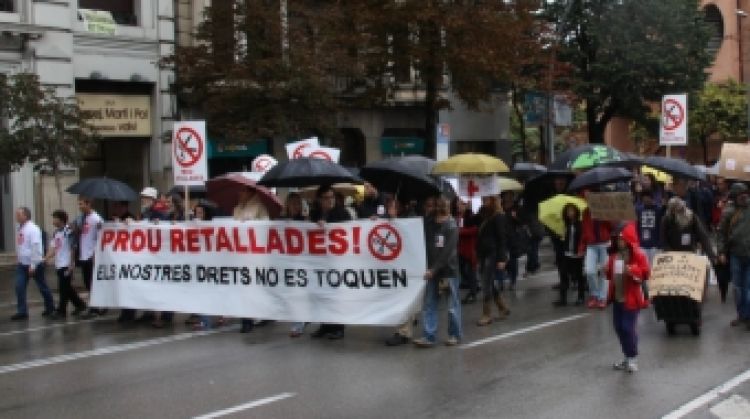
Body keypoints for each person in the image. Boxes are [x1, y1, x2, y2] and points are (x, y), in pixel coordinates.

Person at [413, 197, 462, 347]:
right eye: (437, 216)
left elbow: (447, 253)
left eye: (441, 216)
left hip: (448, 271)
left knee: (452, 305)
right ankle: (429, 336)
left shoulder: (452, 227)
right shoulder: (430, 223)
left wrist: (433, 270)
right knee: (429, 303)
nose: (438, 220)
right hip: (432, 271)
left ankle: (454, 334)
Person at [385, 196, 433, 346]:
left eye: (395, 204)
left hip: (408, 265)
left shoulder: (411, 218)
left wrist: (396, 221)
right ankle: (407, 323)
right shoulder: (393, 217)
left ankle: (403, 332)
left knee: (404, 296)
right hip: (396, 265)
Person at [310, 184, 353, 340]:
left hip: (337, 261)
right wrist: (316, 224)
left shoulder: (342, 213)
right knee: (322, 294)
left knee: (336, 295)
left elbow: (350, 231)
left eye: (332, 197)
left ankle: (338, 327)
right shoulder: (315, 214)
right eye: (326, 198)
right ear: (320, 200)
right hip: (320, 262)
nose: (330, 201)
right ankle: (325, 325)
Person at [606, 222, 650, 374]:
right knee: (619, 328)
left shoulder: (638, 254)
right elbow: (610, 275)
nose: (619, 242)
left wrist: (632, 270)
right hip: (618, 298)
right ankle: (626, 356)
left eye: (622, 239)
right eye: (617, 240)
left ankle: (632, 358)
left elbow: (645, 273)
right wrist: (604, 270)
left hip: (631, 299)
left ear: (629, 239)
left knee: (627, 328)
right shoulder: (614, 256)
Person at [234, 185, 270, 333]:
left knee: (253, 286)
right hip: (241, 253)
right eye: (240, 190)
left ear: (250, 192)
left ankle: (254, 316)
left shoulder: (260, 207)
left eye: (243, 190)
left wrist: (251, 224)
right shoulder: (237, 209)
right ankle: (246, 318)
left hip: (255, 254)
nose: (240, 193)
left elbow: (266, 225)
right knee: (243, 286)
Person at [12, 207, 55, 320]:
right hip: (22, 263)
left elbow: (36, 247)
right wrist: (19, 257)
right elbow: (21, 245)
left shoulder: (33, 229)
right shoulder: (20, 228)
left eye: (19, 215)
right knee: (19, 286)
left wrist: (33, 265)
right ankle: (22, 311)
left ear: (25, 216)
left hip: (34, 263)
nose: (16, 217)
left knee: (42, 286)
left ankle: (50, 307)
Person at [717, 183, 750, 327]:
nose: (744, 196)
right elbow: (721, 234)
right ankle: (742, 315)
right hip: (735, 254)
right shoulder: (728, 212)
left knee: (748, 288)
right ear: (735, 196)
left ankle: (748, 316)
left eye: (745, 193)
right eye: (741, 194)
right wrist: (722, 252)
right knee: (737, 287)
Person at [475, 195, 510, 326]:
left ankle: (487, 314)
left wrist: (502, 258)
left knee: (485, 283)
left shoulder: (499, 216)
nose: (484, 202)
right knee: (488, 281)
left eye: (487, 200)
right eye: (483, 200)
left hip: (492, 253)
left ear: (493, 201)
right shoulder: (485, 215)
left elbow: (502, 238)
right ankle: (502, 307)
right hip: (483, 253)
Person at [46, 210, 86, 318]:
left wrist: (71, 263)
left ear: (61, 219)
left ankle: (61, 310)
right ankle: (80, 304)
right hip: (59, 263)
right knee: (67, 287)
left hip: (66, 263)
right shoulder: (56, 233)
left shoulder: (68, 231)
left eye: (55, 218)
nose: (53, 220)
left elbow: (73, 248)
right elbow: (54, 248)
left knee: (63, 288)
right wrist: (47, 257)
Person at [283, 192, 310, 338]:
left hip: (301, 262)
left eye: (298, 203)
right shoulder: (282, 220)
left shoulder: (304, 220)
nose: (295, 206)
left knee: (299, 293)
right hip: (288, 262)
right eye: (293, 203)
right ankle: (300, 321)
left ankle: (298, 323)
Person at [75, 197, 105, 318]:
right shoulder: (83, 218)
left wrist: (95, 254)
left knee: (92, 283)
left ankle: (95, 307)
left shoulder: (96, 219)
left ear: (88, 204)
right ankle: (95, 306)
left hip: (91, 255)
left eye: (81, 204)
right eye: (79, 204)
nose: (80, 206)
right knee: (87, 282)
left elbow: (100, 237)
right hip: (83, 254)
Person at [581, 195, 612, 309]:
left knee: (604, 272)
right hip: (591, 244)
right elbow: (584, 231)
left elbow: (612, 225)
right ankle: (594, 294)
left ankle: (602, 297)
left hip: (604, 243)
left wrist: (604, 216)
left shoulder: (604, 209)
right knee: (589, 270)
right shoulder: (585, 212)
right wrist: (582, 246)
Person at [660, 197, 714, 262]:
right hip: (673, 255)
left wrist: (711, 255)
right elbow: (663, 239)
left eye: (683, 209)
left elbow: (703, 236)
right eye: (679, 210)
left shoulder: (691, 216)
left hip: (690, 253)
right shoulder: (666, 220)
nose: (682, 212)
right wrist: (669, 253)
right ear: (673, 211)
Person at [554, 203, 585, 306]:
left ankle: (581, 297)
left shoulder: (580, 224)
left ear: (576, 212)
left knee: (579, 276)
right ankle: (563, 299)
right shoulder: (565, 224)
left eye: (571, 210)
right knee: (563, 275)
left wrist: (582, 250)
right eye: (568, 211)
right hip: (567, 253)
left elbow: (582, 238)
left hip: (577, 254)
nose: (570, 213)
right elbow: (562, 238)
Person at [455, 199, 480, 304]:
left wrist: (461, 232)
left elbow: (475, 230)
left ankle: (473, 292)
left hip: (469, 249)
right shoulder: (457, 217)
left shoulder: (470, 217)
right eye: (458, 204)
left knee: (470, 271)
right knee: (463, 270)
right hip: (460, 249)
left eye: (461, 204)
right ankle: (473, 287)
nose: (459, 206)